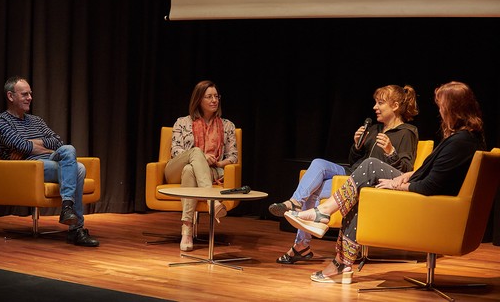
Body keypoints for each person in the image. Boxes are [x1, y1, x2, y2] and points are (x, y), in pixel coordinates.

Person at [285, 81, 486, 283]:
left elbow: (429, 185)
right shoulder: (465, 139)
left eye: (442, 106)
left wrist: (397, 182)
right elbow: (428, 172)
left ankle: (323, 214)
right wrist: (402, 174)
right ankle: (341, 262)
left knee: (371, 166)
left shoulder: (458, 141)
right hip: (420, 194)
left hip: (429, 205)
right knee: (355, 187)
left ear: (454, 108)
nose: (440, 112)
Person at [269, 84, 419, 264]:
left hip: (373, 182)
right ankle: (295, 202)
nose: (375, 108)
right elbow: (354, 160)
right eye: (375, 103)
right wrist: (356, 146)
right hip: (351, 173)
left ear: (395, 106)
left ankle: (301, 246)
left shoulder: (408, 132)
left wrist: (390, 151)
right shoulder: (374, 129)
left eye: (380, 103)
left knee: (314, 190)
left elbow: (405, 168)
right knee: (318, 163)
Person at [0, 76, 99, 247]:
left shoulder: (36, 121)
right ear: (11, 96)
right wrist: (35, 146)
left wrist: (32, 145)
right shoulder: (1, 122)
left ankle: (67, 207)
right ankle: (76, 229)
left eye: (30, 94)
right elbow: (21, 145)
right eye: (25, 94)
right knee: (78, 169)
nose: (30, 98)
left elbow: (57, 142)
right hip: (27, 167)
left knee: (69, 149)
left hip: (48, 160)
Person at [164, 80, 238, 252]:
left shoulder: (227, 126)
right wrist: (201, 156)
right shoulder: (182, 122)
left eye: (216, 96)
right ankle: (214, 201)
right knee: (195, 153)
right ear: (198, 100)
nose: (214, 100)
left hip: (210, 171)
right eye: (209, 97)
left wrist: (218, 162)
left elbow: (233, 157)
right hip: (175, 169)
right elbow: (175, 151)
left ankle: (187, 230)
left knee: (190, 170)